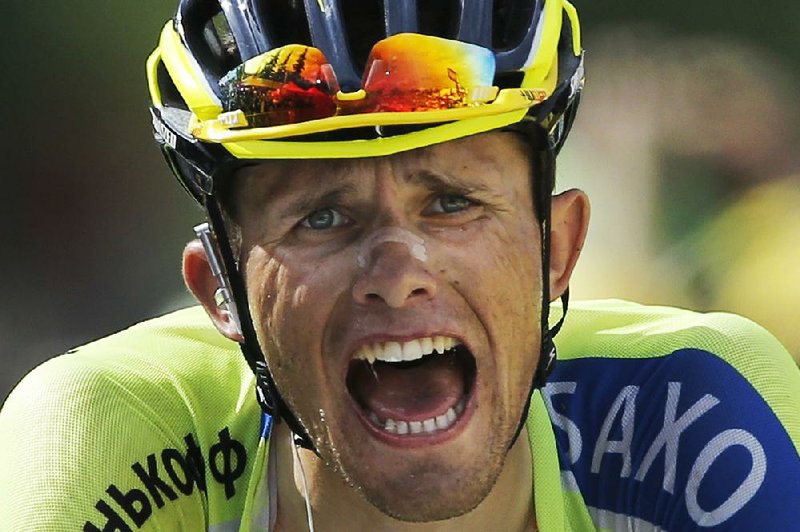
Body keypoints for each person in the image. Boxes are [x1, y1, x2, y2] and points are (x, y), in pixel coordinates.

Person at [1, 1, 798, 530]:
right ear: (223, 292)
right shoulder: (98, 438)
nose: (397, 269)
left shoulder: (697, 413)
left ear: (560, 247)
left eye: (451, 201)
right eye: (321, 216)